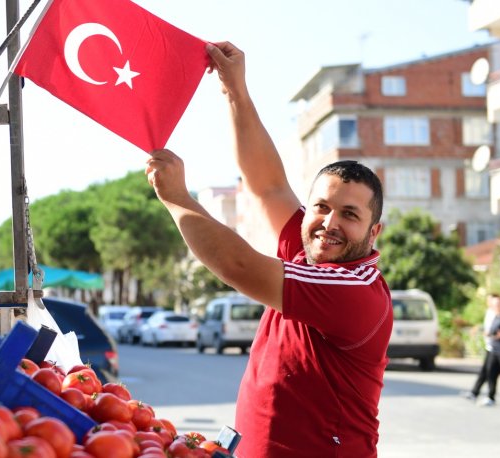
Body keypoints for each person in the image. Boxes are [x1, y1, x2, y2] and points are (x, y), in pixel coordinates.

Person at [145, 42, 393, 457]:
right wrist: (234, 91)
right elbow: (268, 185)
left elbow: (238, 265)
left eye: (349, 214)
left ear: (374, 232)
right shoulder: (311, 247)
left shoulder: (353, 290)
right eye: (321, 207)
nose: (330, 223)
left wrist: (177, 198)